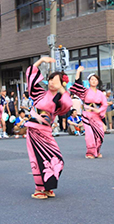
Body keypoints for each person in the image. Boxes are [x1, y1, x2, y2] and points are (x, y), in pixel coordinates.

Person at [25, 56, 73, 199]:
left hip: (46, 131)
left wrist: (63, 90)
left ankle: (47, 186)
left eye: (55, 80)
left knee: (56, 159)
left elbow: (68, 105)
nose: (52, 82)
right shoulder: (40, 93)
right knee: (38, 159)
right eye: (51, 79)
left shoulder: (60, 99)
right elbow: (31, 78)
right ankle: (39, 188)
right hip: (34, 129)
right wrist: (40, 61)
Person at [70, 67, 108, 158]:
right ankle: (90, 152)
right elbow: (78, 84)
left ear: (98, 82)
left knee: (100, 135)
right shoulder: (85, 91)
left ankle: (97, 151)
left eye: (95, 79)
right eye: (92, 79)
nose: (94, 81)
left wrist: (99, 110)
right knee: (90, 135)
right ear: (89, 81)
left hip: (97, 116)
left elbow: (105, 104)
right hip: (87, 115)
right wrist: (78, 72)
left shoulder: (101, 94)